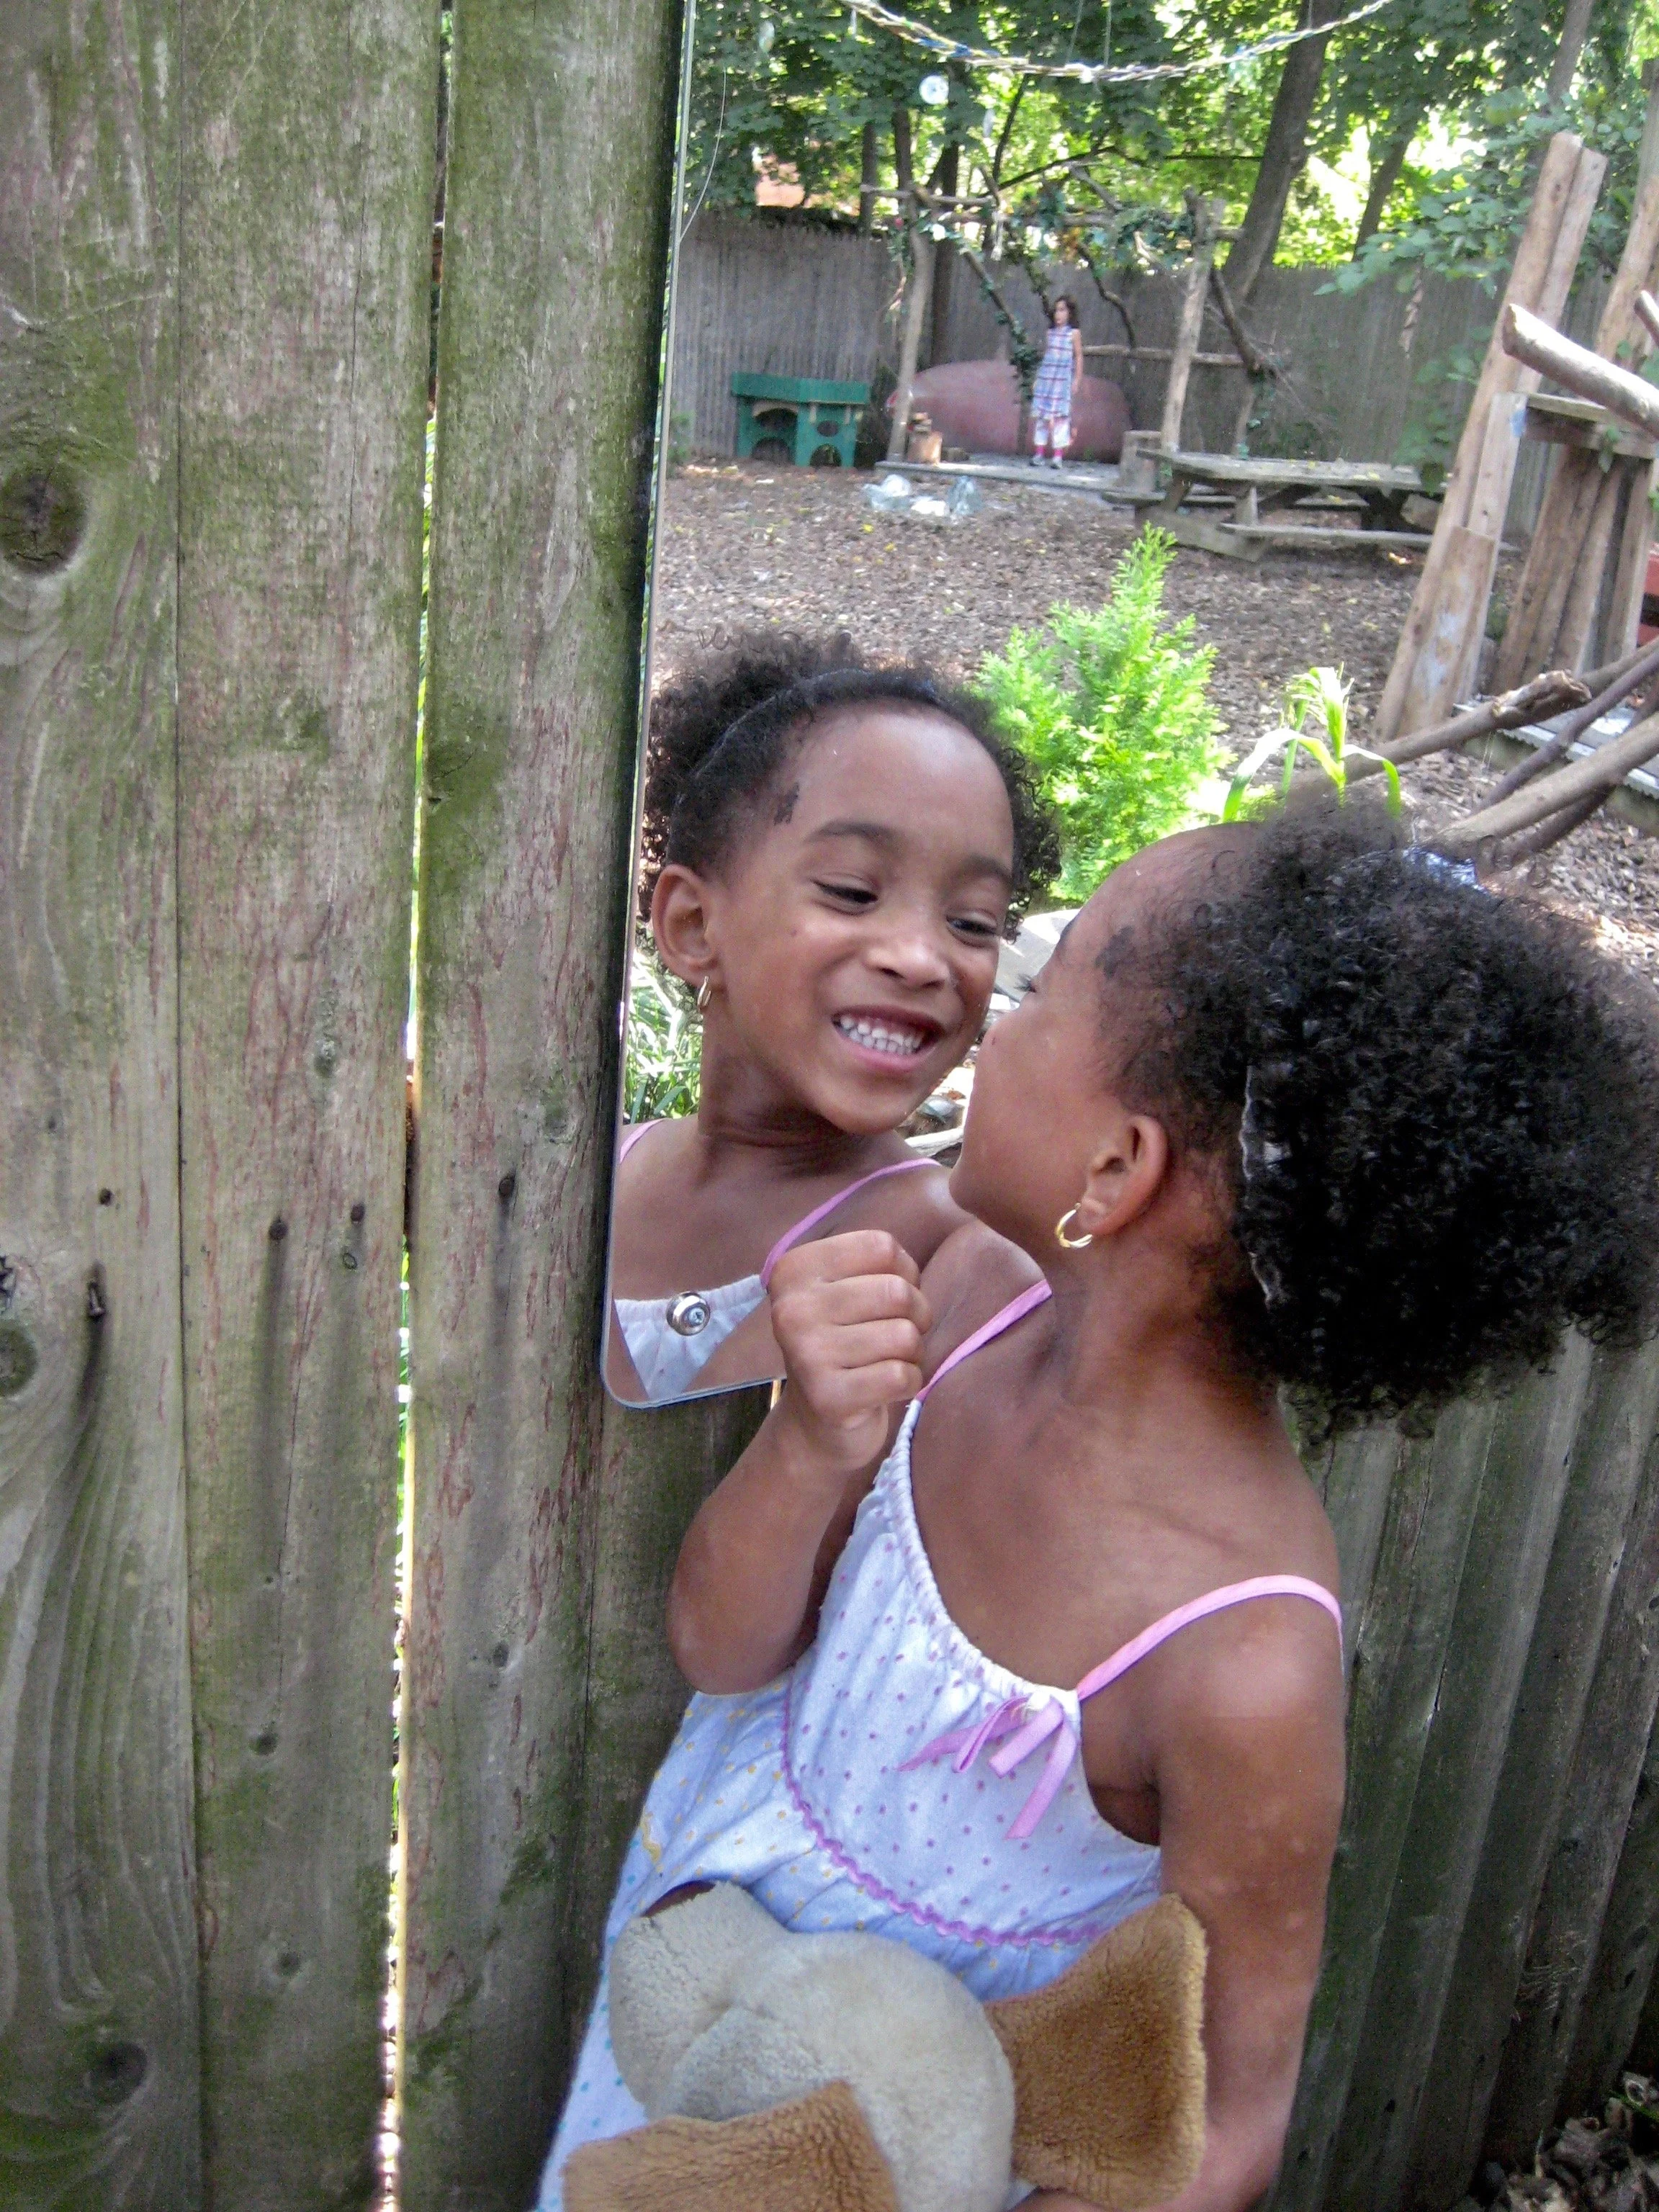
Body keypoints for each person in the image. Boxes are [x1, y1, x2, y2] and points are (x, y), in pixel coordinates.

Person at [549, 806, 1659, 2211]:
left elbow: (1223, 2124)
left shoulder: (1239, 1658)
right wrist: (814, 1448)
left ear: (1115, 1173)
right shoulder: (948, 1307)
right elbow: (719, 1648)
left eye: (1051, 984)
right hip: (693, 2040)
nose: (994, 1014)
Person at [606, 631, 1058, 1403]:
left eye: (974, 923)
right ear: (692, 926)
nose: (920, 959)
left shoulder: (959, 1264)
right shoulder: (590, 1174)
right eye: (853, 891)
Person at [1030, 295, 1084, 470]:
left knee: (1061, 418)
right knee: (1042, 417)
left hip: (1062, 381)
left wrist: (1077, 379)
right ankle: (1039, 453)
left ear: (1070, 313)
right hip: (1047, 380)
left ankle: (1057, 457)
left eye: (1062, 310)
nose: (1058, 315)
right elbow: (1047, 357)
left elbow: (1078, 357)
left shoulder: (1074, 334)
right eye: (1056, 311)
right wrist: (1038, 379)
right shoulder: (1050, 333)